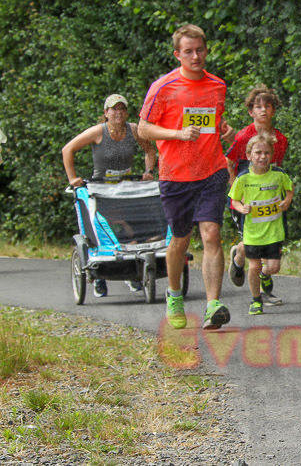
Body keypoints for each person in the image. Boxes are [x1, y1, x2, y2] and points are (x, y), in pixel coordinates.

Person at [138, 24, 235, 330]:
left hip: (211, 171)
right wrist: (176, 133)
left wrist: (224, 129)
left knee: (211, 234)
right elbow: (143, 129)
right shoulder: (163, 88)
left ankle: (212, 305)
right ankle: (175, 295)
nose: (196, 56)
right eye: (189, 51)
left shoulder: (217, 86)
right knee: (180, 240)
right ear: (178, 54)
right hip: (176, 175)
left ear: (206, 50)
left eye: (200, 50)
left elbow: (211, 120)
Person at [61, 93, 157, 296]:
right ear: (106, 113)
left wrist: (148, 171)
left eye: (122, 109)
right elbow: (67, 149)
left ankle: (133, 274)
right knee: (103, 230)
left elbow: (149, 150)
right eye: (114, 109)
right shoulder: (98, 132)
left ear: (127, 112)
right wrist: (72, 178)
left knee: (132, 231)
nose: (118, 113)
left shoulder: (133, 130)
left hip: (126, 190)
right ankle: (99, 277)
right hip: (102, 190)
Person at [225, 85, 289, 303]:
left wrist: (281, 196)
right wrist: (237, 191)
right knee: (255, 241)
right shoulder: (244, 136)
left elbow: (277, 169)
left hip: (270, 199)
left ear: (273, 110)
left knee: (269, 240)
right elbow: (228, 162)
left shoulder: (280, 139)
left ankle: (241, 256)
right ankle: (262, 289)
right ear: (250, 111)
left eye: (267, 106)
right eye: (258, 107)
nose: (263, 110)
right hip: (246, 198)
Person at [228, 133, 294, 315]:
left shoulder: (278, 175)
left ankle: (266, 276)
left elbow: (289, 188)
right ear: (249, 155)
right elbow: (234, 200)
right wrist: (241, 208)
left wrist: (287, 201)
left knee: (273, 267)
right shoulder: (243, 178)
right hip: (253, 232)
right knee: (254, 267)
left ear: (271, 155)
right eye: (258, 153)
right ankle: (256, 301)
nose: (262, 157)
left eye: (266, 153)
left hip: (274, 231)